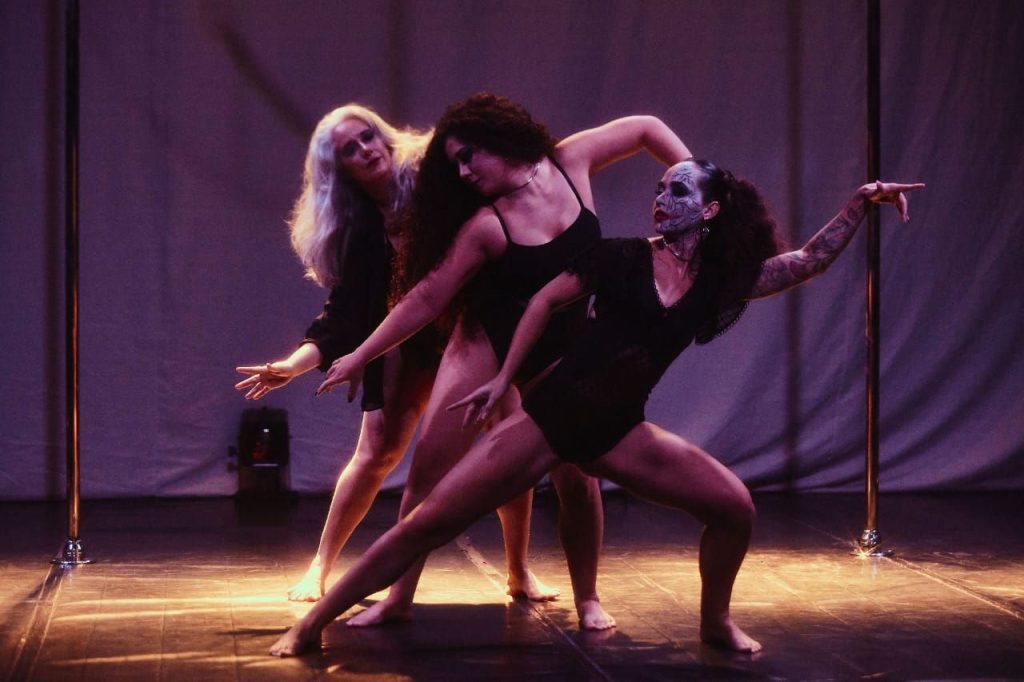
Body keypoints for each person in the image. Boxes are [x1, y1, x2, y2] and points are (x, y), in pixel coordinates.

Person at [270, 159, 924, 656]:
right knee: (426, 524)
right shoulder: (620, 258)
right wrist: (504, 383)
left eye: (677, 190)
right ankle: (314, 622)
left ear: (711, 210)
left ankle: (715, 621)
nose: (661, 199)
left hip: (618, 431)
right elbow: (542, 301)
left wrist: (860, 202)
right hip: (549, 420)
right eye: (658, 188)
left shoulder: (717, 284)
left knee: (734, 509)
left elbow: (806, 261)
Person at [315, 93, 693, 630]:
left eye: (469, 156)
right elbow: (426, 297)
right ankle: (398, 597)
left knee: (576, 478)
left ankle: (588, 598)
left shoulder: (570, 162)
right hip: (486, 339)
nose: (464, 172)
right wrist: (360, 354)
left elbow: (645, 126)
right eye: (455, 165)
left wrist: (698, 183)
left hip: (561, 343)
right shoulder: (486, 225)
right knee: (427, 474)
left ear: (499, 138)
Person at [233, 104, 550, 606]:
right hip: (405, 342)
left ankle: (519, 572)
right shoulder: (358, 230)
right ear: (340, 170)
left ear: (383, 137)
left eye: (368, 137)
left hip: (471, 329)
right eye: (350, 150)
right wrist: (293, 366)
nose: (366, 150)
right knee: (376, 453)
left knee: (506, 446)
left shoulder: (432, 185)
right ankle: (320, 567)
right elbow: (343, 316)